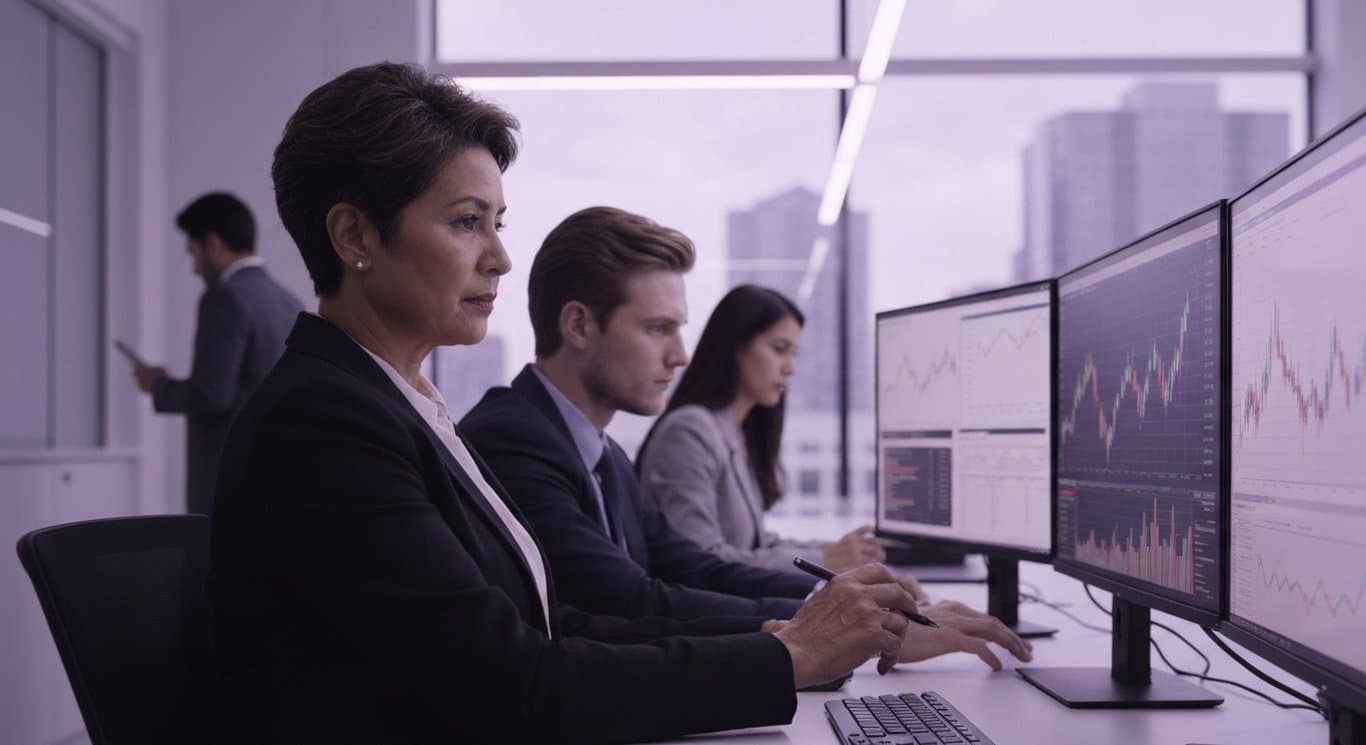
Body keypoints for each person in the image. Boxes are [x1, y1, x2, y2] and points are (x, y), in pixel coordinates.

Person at [209, 61, 961, 744]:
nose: (500, 256)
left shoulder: (404, 407)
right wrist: (788, 653)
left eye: (496, 224)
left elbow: (552, 620)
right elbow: (506, 681)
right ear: (354, 235)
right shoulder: (327, 422)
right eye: (467, 221)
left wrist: (793, 634)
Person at [637, 284, 885, 575]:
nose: (790, 367)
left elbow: (757, 545)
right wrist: (826, 560)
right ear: (737, 347)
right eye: (779, 349)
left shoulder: (734, 431)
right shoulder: (689, 432)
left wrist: (833, 553)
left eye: (794, 353)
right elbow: (702, 560)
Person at [132, 192, 304, 516]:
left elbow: (211, 396)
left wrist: (156, 384)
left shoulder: (224, 298)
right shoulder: (288, 302)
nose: (195, 268)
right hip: (278, 477)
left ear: (213, 244)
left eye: (193, 252)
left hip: (226, 481)